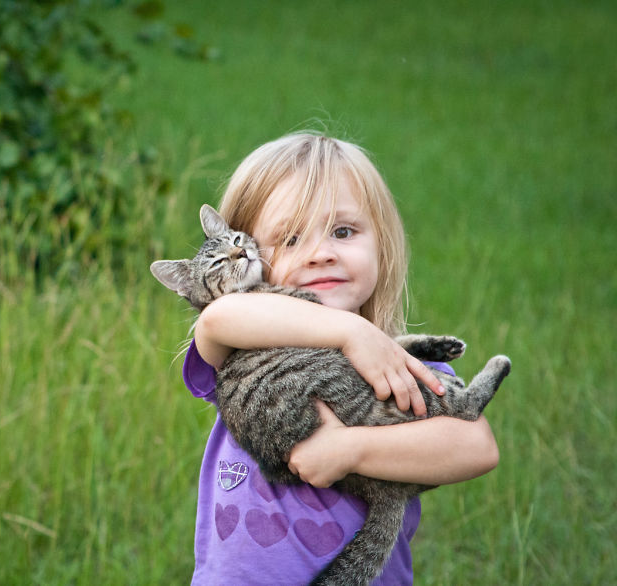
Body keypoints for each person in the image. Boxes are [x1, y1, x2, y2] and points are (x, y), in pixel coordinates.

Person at [182, 131, 499, 585]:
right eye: (290, 239)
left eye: (343, 231)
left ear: (381, 246)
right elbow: (216, 320)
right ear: (250, 252)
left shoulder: (397, 364)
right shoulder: (241, 349)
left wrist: (350, 449)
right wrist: (351, 332)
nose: (321, 253)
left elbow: (477, 447)